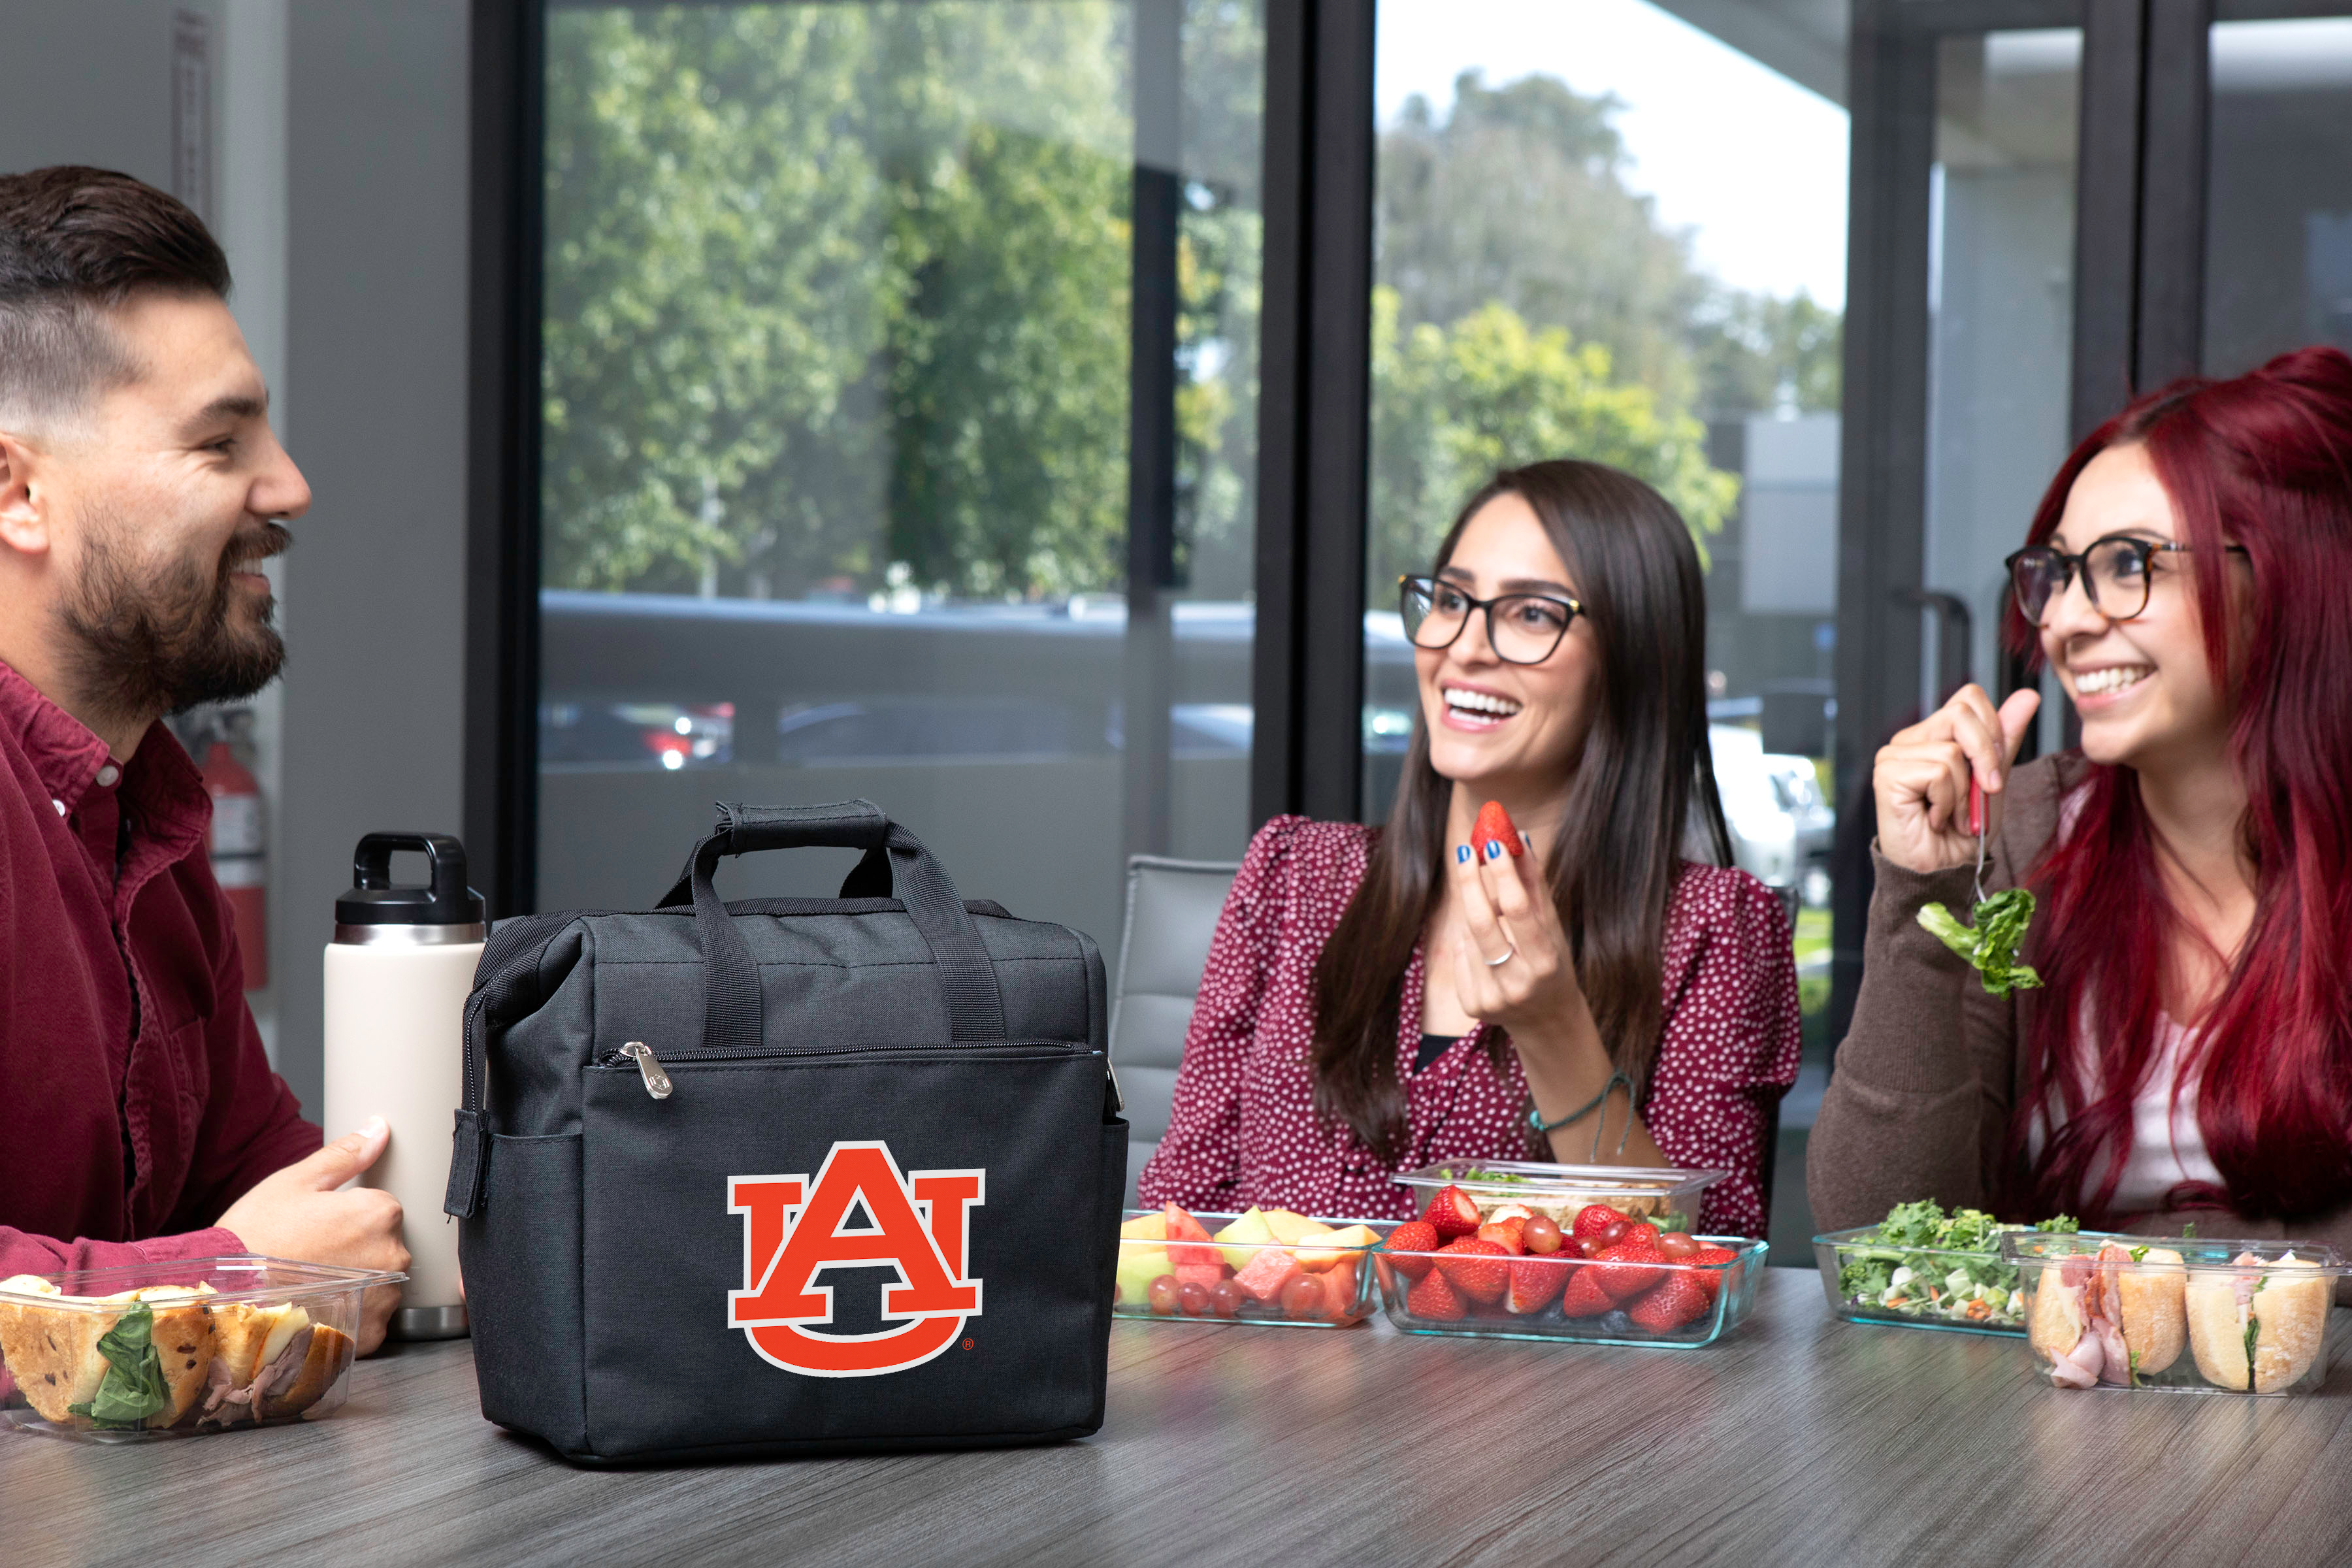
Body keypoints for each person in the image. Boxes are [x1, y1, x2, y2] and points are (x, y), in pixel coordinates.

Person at [1139, 461, 1803, 1236]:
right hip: (1275, 1324)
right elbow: (1177, 1219)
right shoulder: (1294, 876)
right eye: (1452, 600)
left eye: (1531, 614)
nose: (1465, 648)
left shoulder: (1717, 931)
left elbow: (1703, 1264)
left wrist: (1554, 1030)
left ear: (1632, 660)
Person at [1810, 347, 2352, 1267]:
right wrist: (1920, 895)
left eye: (2128, 563)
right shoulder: (2020, 832)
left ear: (2287, 577)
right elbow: (1881, 1243)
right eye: (2056, 573)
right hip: (2054, 1362)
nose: (2061, 620)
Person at [0, 167, 407, 1350]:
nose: (290, 488)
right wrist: (237, 1276)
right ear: (18, 492)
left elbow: (272, 1181)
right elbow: (263, 1248)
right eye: (221, 442)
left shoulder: (147, 809)